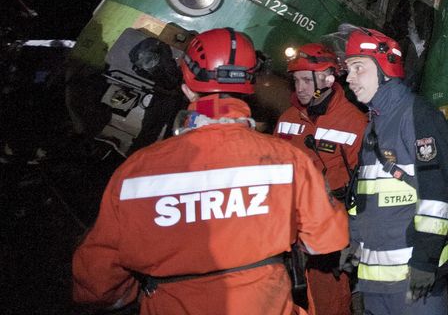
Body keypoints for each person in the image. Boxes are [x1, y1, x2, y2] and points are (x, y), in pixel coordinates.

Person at [72, 28, 348, 315]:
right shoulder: (288, 161)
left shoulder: (136, 173)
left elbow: (97, 279)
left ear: (187, 88)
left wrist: (134, 294)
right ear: (250, 86)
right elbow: (328, 238)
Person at [332, 24, 448, 315]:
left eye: (358, 68)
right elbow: (364, 197)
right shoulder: (374, 124)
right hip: (376, 281)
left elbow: (437, 197)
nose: (349, 78)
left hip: (413, 281)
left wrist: (425, 261)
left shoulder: (418, 116)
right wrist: (353, 241)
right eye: (348, 69)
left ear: (384, 68)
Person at [276, 42, 367, 315]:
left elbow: (366, 185)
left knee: (328, 299)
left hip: (330, 227)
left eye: (307, 80)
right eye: (296, 81)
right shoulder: (287, 119)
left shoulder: (354, 122)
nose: (300, 88)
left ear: (328, 78)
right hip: (287, 225)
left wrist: (355, 235)